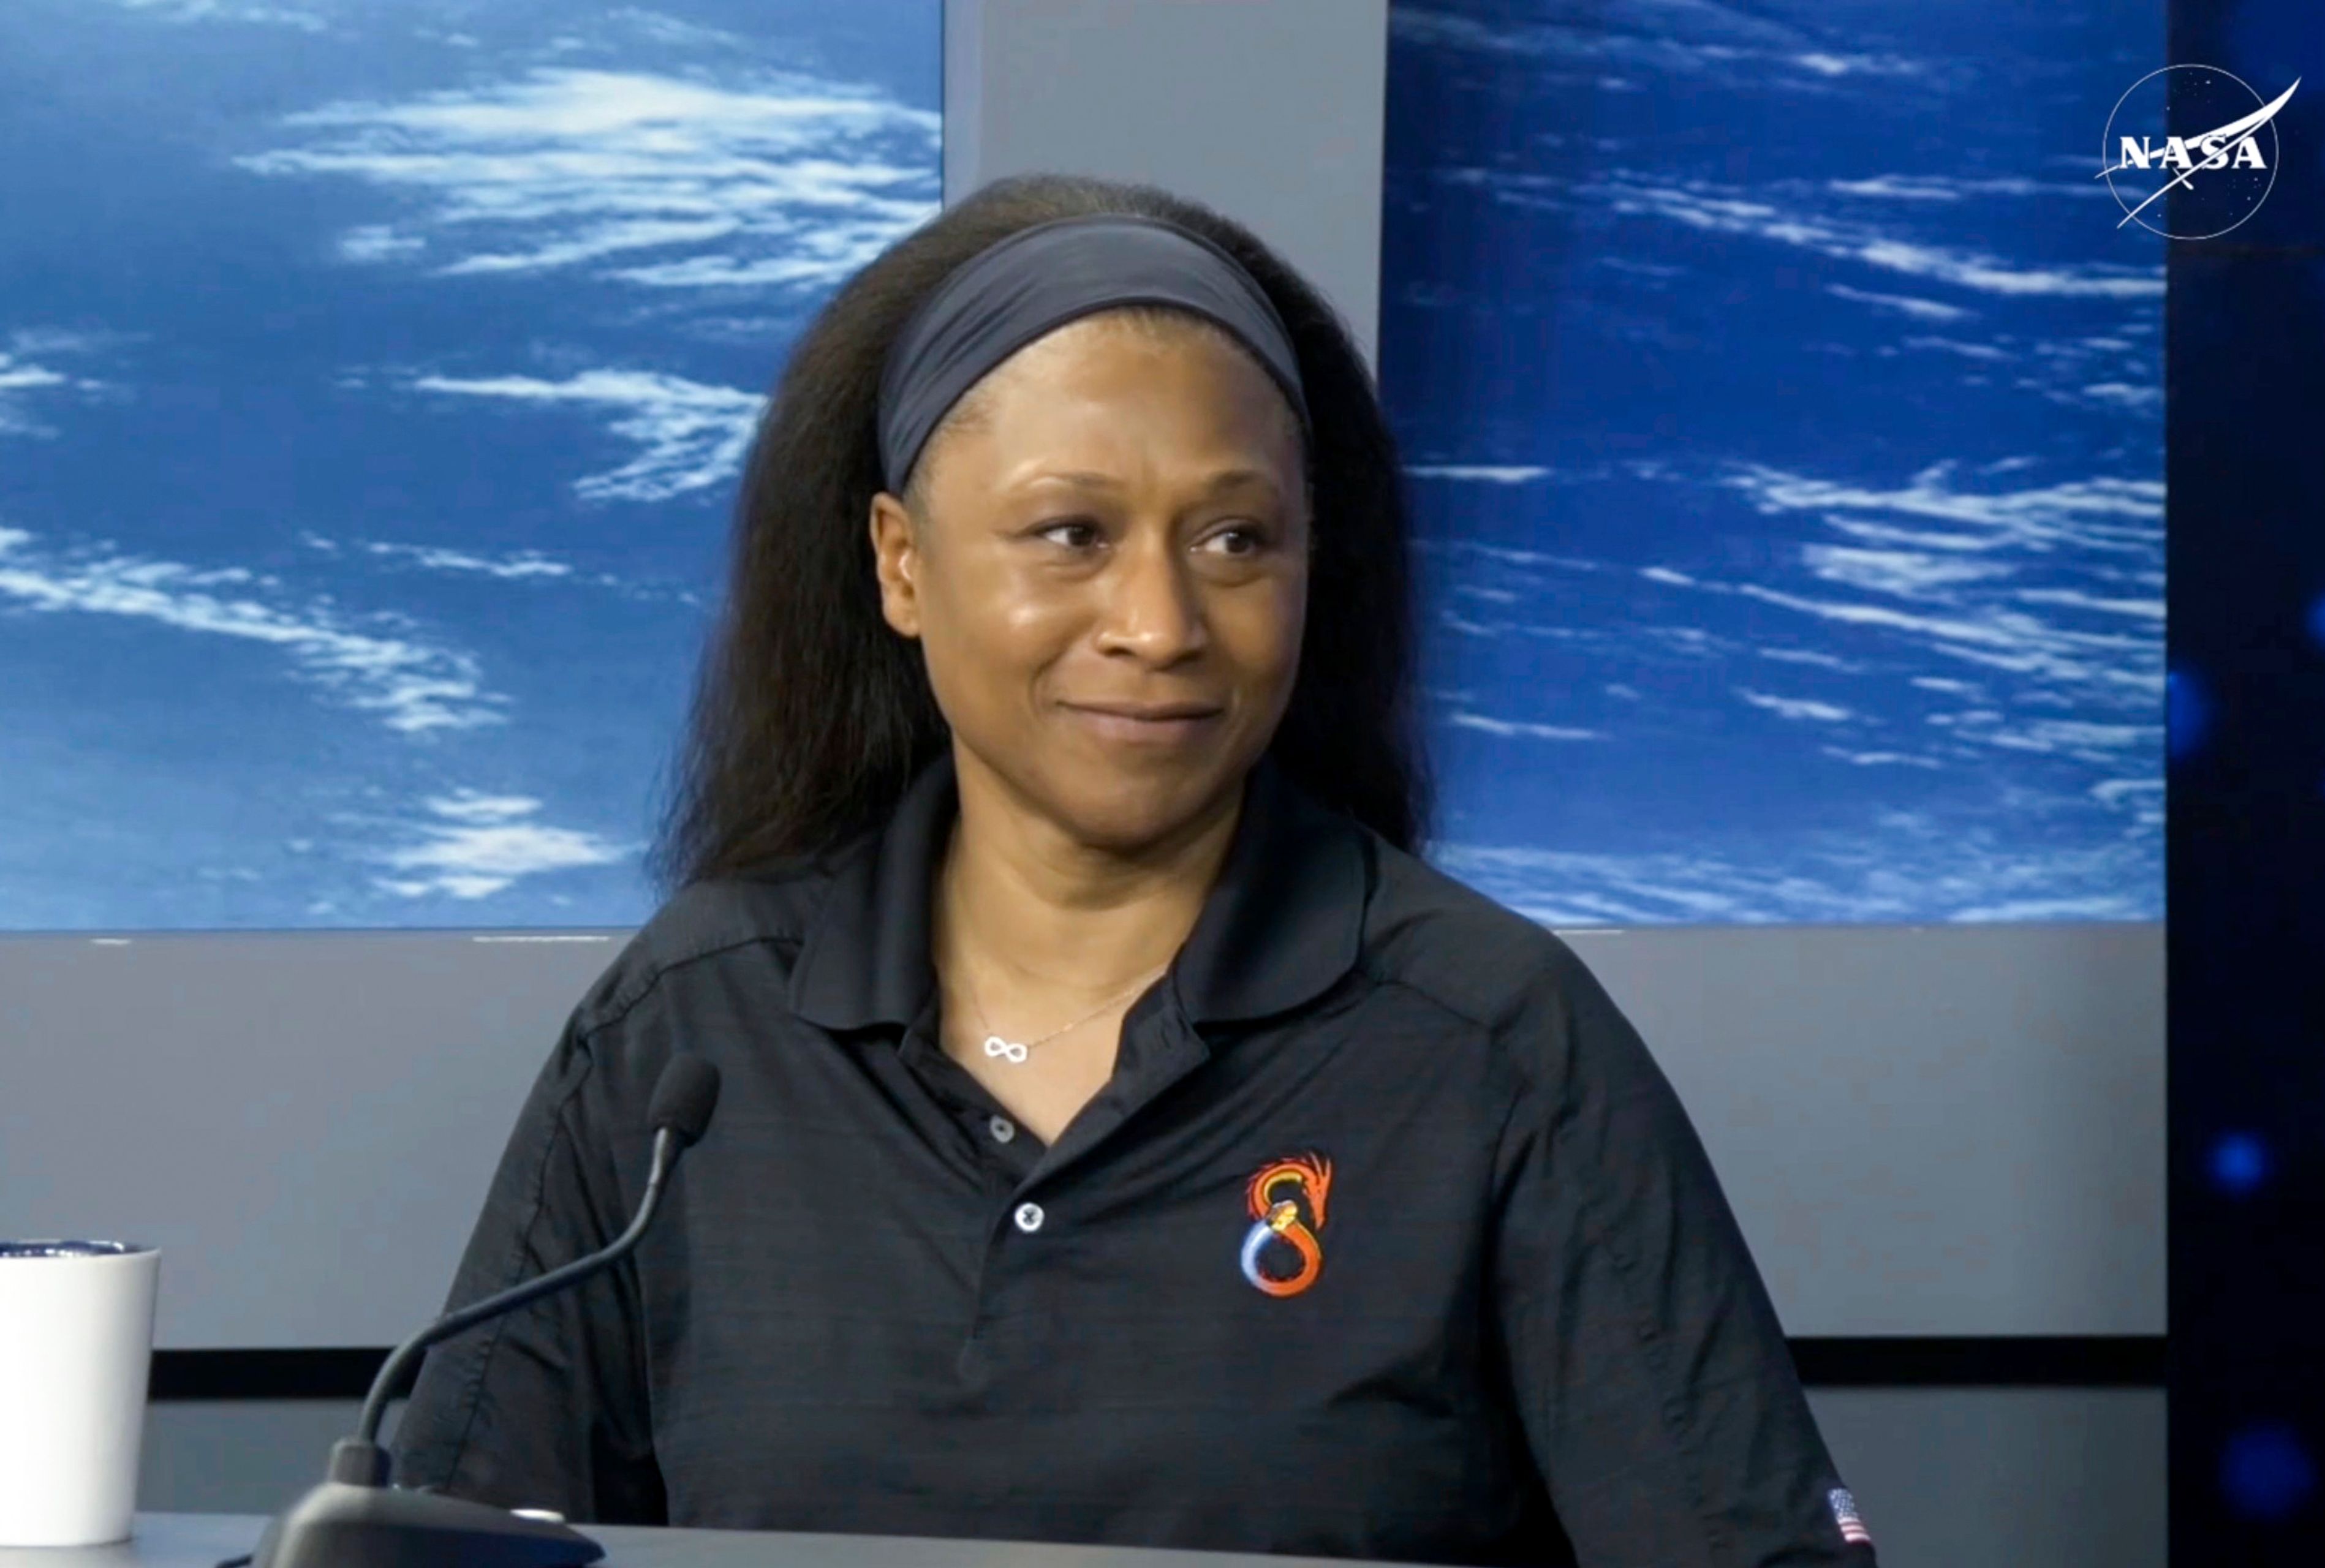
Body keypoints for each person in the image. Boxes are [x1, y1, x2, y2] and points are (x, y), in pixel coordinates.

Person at [392, 173, 1878, 1567]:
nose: (1161, 620)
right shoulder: (688, 1027)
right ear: (903, 564)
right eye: (1072, 534)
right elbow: (450, 1536)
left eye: (1236, 538)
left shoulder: (1493, 1041)